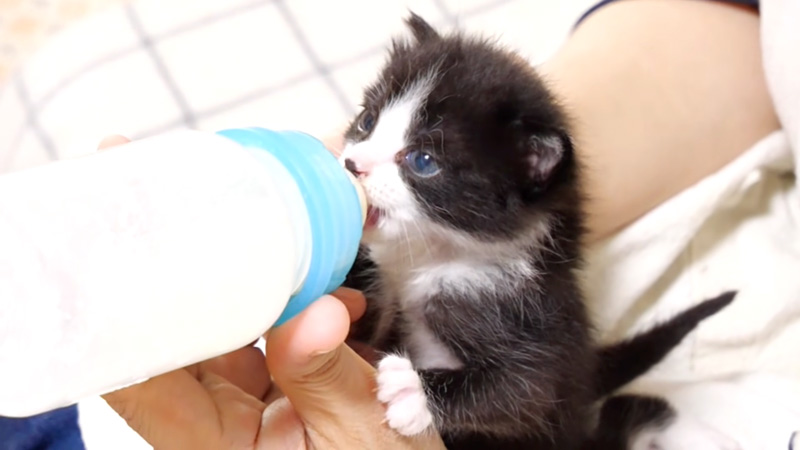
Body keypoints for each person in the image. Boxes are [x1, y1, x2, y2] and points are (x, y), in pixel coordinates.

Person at [103, 0, 800, 448]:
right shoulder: (420, 236)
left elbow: (524, 385)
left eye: (424, 159)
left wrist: (433, 395)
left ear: (528, 172)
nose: (359, 153)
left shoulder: (504, 287)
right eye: (370, 122)